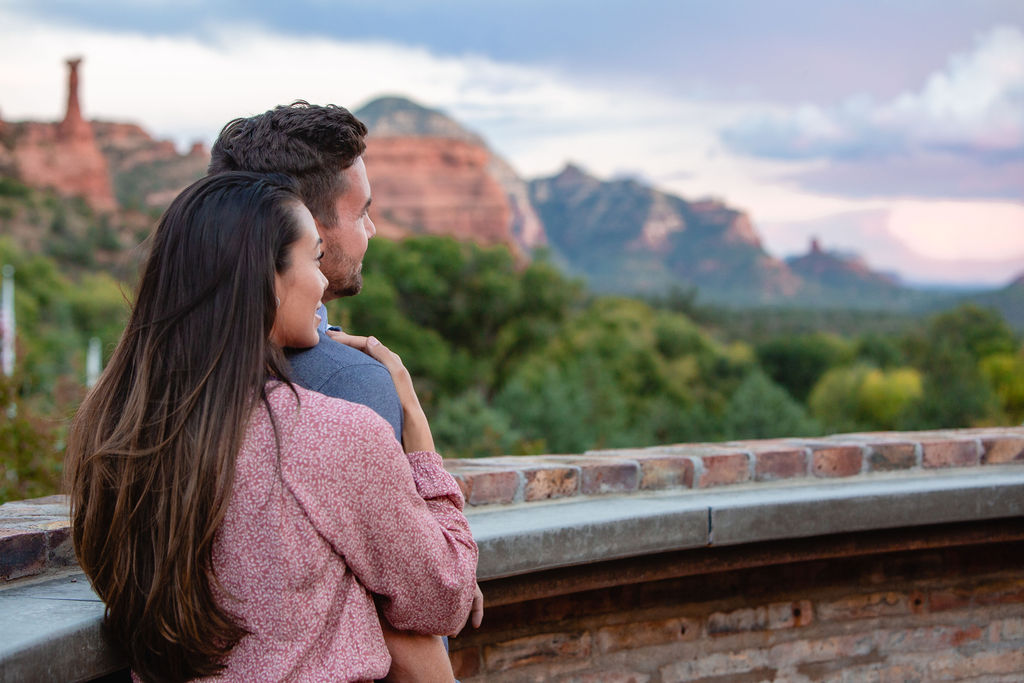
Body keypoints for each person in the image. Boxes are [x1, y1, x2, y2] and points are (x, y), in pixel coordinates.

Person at [65, 172, 478, 682]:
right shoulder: (327, 432)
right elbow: (444, 598)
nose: (324, 281)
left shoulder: (113, 429)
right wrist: (418, 439)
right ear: (267, 277)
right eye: (313, 257)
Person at [207, 102, 402, 439]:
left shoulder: (149, 370)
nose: (371, 230)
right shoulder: (352, 382)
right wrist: (405, 399)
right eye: (360, 214)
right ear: (303, 228)